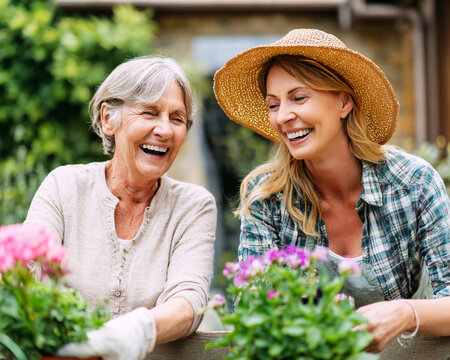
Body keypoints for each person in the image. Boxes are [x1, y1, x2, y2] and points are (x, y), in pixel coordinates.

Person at [213, 29, 450, 352]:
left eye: (299, 98)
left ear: (344, 102)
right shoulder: (267, 196)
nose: (283, 116)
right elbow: (251, 308)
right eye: (273, 104)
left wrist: (406, 313)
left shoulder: (413, 183)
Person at [26, 56, 217, 359]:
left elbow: (188, 301)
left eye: (177, 118)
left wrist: (136, 330)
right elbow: (26, 274)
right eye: (149, 112)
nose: (165, 130)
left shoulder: (194, 206)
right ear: (107, 119)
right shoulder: (63, 186)